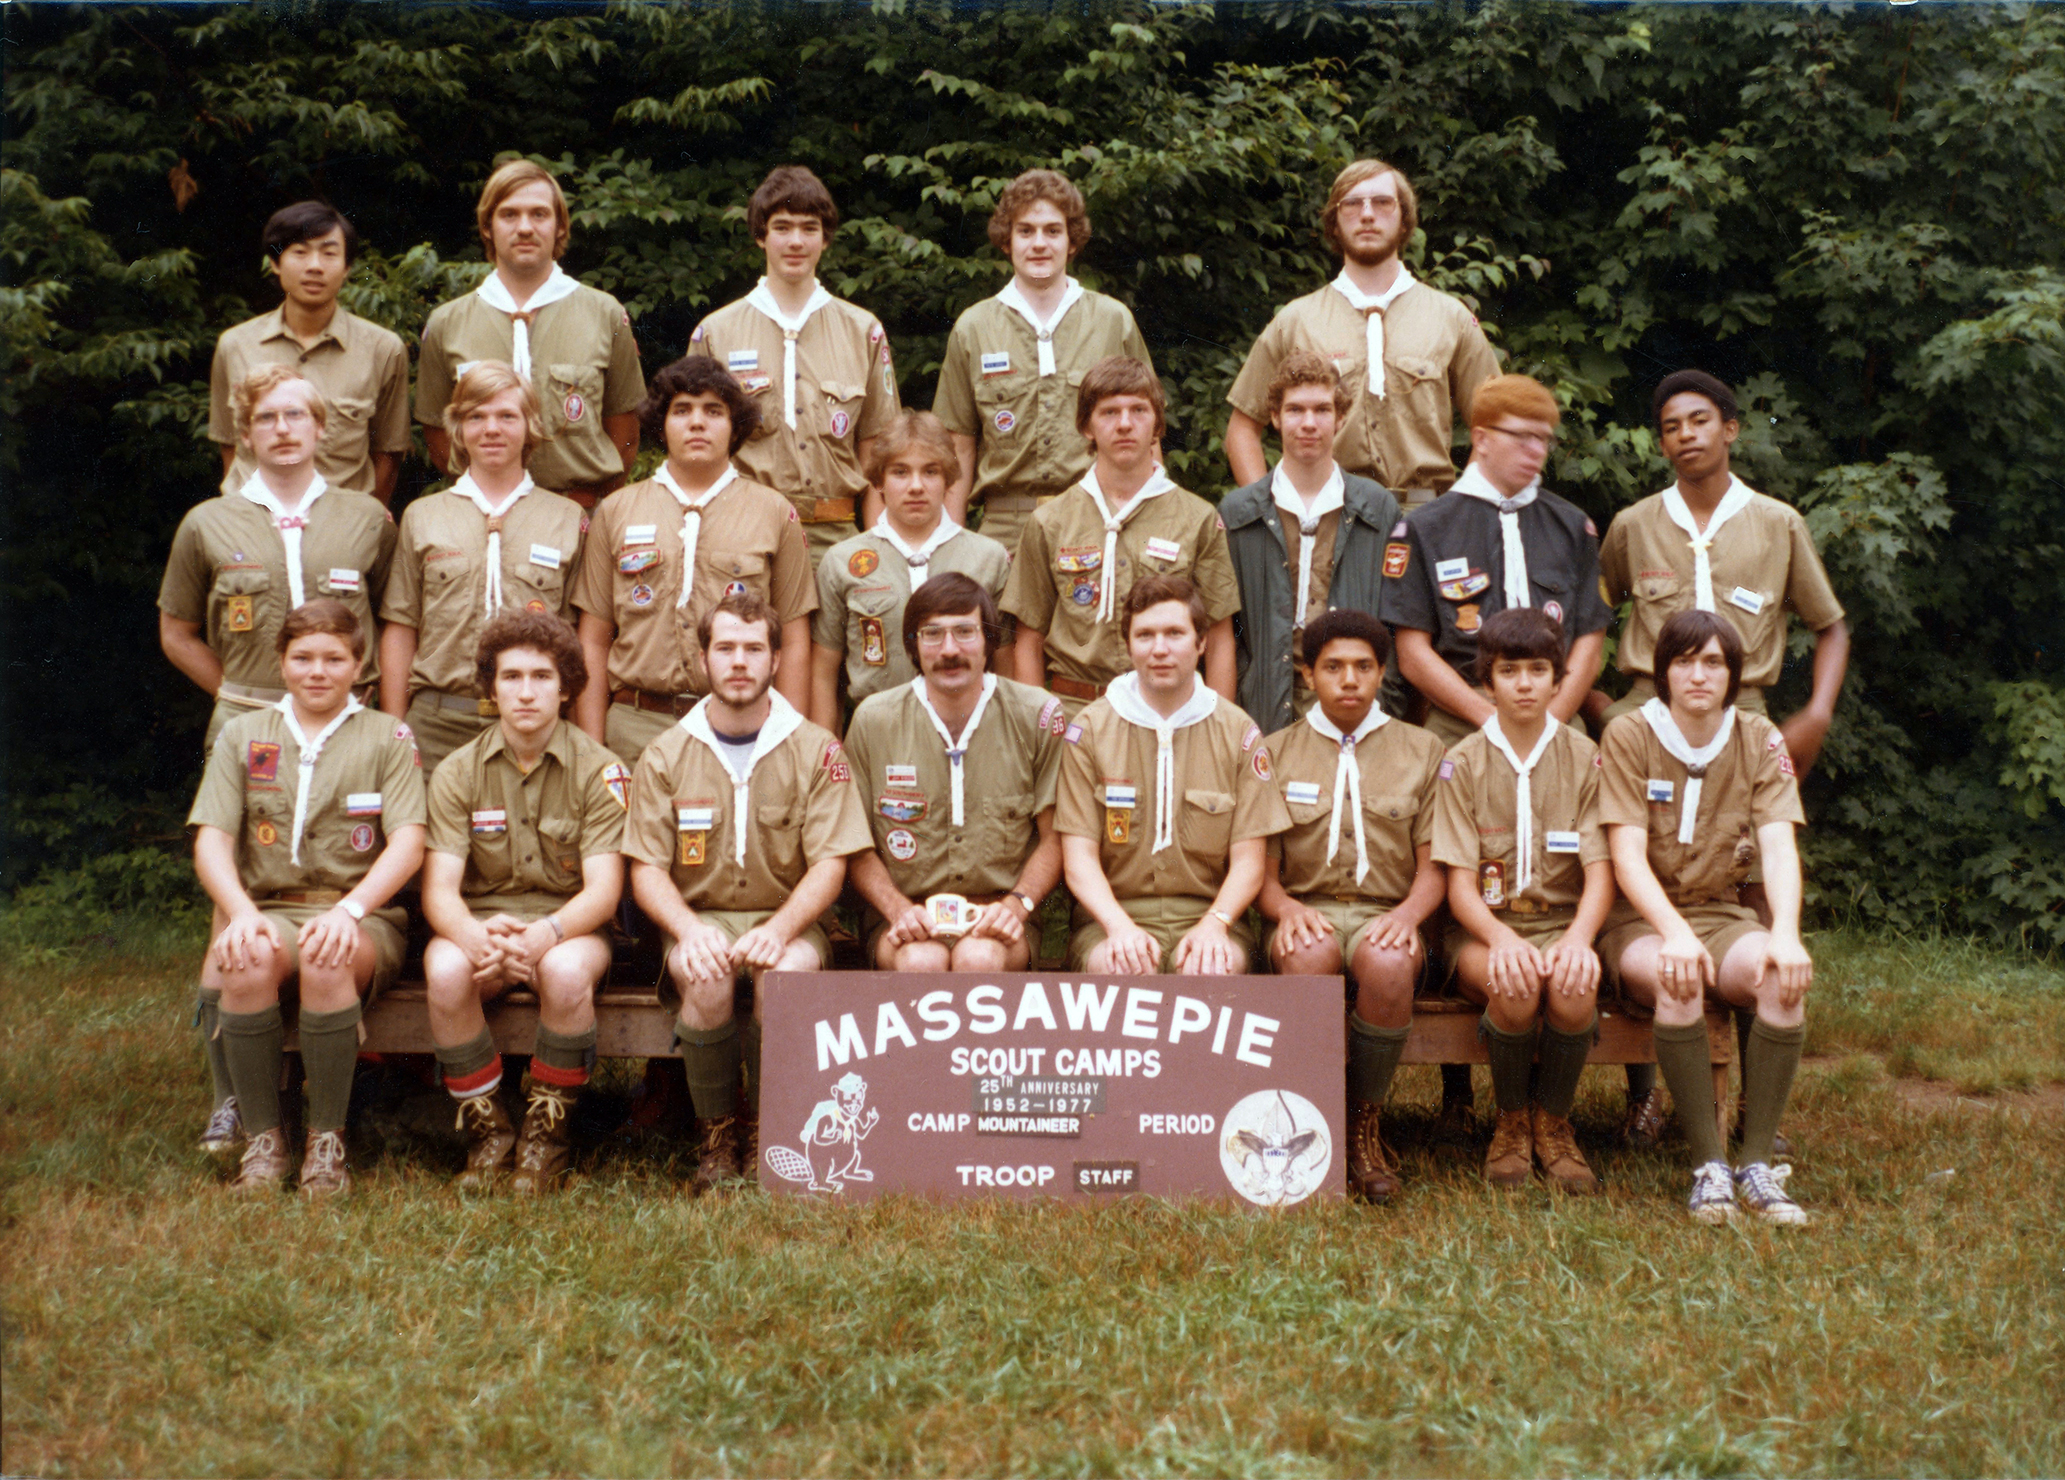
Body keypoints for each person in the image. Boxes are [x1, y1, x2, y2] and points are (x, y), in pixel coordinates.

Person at [1598, 369, 1848, 1147]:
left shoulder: (1775, 523)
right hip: (1646, 723)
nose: (1685, 435)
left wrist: (1815, 712)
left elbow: (1829, 625)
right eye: (1670, 425)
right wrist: (1602, 707)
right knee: (1641, 891)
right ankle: (1647, 1094)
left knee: (1753, 902)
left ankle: (1749, 1108)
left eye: (1699, 420)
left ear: (1731, 428)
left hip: (1742, 725)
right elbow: (1584, 619)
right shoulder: (1634, 525)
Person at [162, 368, 397, 1158]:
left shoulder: (365, 517)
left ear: (323, 427)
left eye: (298, 415)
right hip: (251, 718)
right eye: (266, 417)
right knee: (235, 902)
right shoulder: (208, 521)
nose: (284, 429)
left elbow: (393, 617)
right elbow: (176, 630)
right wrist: (240, 696)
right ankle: (229, 1098)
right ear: (245, 430)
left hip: (350, 718)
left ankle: (359, 1071)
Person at [623, 591, 872, 1189]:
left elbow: (830, 864)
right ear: (703, 659)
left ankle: (769, 1130)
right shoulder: (665, 754)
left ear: (777, 660)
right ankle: (716, 1138)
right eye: (726, 648)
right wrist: (688, 931)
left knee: (782, 976)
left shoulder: (817, 750)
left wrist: (780, 930)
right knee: (705, 976)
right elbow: (647, 869)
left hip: (787, 918)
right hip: (699, 916)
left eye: (754, 649)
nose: (739, 661)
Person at [187, 600, 426, 1197]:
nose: (317, 671)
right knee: (243, 957)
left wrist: (350, 911)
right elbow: (212, 841)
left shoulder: (388, 736)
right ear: (281, 661)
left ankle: (326, 1141)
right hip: (272, 908)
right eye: (303, 658)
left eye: (334, 659)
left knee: (327, 955)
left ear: (359, 665)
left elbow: (408, 844)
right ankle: (265, 1140)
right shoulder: (244, 735)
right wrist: (242, 914)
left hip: (361, 913)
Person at [1597, 610, 1813, 1225]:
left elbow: (1778, 847)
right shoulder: (1629, 733)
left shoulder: (1758, 737)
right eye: (1684, 661)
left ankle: (1755, 1163)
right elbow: (1626, 857)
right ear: (1663, 672)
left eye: (1713, 662)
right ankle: (1708, 1165)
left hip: (1720, 913)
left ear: (1733, 674)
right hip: (1640, 920)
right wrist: (1674, 933)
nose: (1699, 675)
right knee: (1679, 975)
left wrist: (1786, 934)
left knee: (1779, 975)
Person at [420, 611, 627, 1194]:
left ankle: (545, 1137)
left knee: (564, 974)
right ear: (491, 687)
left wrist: (544, 936)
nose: (526, 692)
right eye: (511, 677)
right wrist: (474, 937)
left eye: (542, 676)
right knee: (446, 970)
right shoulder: (458, 772)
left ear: (566, 687)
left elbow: (604, 891)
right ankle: (489, 1131)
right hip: (483, 926)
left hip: (570, 927)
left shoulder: (600, 770)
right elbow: (439, 890)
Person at [1258, 611, 1445, 1202]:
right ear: (1308, 674)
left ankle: (1363, 1124)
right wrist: (1286, 910)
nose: (1349, 680)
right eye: (1333, 667)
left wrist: (1407, 917)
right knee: (1307, 957)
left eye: (1364, 667)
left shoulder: (1422, 750)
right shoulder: (1275, 752)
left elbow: (1434, 868)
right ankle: (1312, 1122)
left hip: (1385, 909)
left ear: (1382, 673)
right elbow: (1261, 874)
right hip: (1304, 906)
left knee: (1387, 965)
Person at [1432, 609, 1614, 1194]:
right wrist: (1502, 938)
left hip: (1563, 922)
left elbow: (1600, 872)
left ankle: (1553, 1122)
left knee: (1574, 986)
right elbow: (1459, 887)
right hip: (1485, 930)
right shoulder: (1462, 762)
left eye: (1538, 670)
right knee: (1513, 983)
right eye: (1509, 671)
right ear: (1487, 681)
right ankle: (1511, 1120)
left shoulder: (1584, 758)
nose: (1525, 684)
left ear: (1559, 679)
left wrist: (1579, 939)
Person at [571, 357, 816, 766]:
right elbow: (593, 640)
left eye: (713, 411)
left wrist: (786, 742)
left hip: (741, 725)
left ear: (735, 426)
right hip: (635, 727)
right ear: (661, 423)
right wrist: (593, 751)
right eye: (682, 410)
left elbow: (792, 641)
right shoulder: (616, 512)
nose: (697, 423)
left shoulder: (774, 513)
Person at [1224, 159, 1497, 506]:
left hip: (1424, 519)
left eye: (1382, 202)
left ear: (1404, 220)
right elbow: (1242, 429)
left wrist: (1460, 510)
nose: (1367, 215)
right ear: (1334, 224)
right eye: (1352, 204)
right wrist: (1267, 515)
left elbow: (1496, 426)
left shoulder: (1450, 318)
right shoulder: (1296, 321)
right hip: (1324, 517)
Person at [1055, 576, 1290, 974]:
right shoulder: (1090, 730)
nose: (1159, 649)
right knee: (1122, 968)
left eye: (1175, 634)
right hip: (1111, 918)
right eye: (1145, 635)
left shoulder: (1238, 732)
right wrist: (1119, 928)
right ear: (1128, 644)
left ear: (1201, 643)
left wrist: (1216, 924)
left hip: (1211, 915)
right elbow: (1079, 859)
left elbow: (1249, 862)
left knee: (1211, 970)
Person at [843, 574, 1065, 971]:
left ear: (988, 640)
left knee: (979, 958)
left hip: (1001, 913)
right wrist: (898, 909)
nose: (949, 650)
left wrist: (1017, 905)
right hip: (904, 913)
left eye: (965, 632)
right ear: (913, 644)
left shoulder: (1035, 716)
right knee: (921, 961)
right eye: (932, 634)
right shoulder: (873, 720)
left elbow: (1055, 838)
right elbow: (855, 845)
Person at [932, 168, 1155, 557]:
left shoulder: (1112, 321)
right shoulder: (974, 327)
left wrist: (1150, 526)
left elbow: (1147, 433)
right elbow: (957, 447)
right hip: (1004, 530)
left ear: (1072, 241)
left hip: (1100, 517)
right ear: (1007, 240)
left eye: (1053, 231)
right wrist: (949, 545)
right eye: (1025, 231)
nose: (1039, 244)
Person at [379, 362, 588, 773]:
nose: (491, 429)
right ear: (458, 429)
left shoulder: (566, 518)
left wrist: (578, 737)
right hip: (438, 722)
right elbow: (401, 628)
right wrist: (395, 730)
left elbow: (581, 639)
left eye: (507, 416)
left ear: (529, 426)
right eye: (476, 417)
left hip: (535, 724)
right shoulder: (423, 516)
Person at [1380, 373, 1609, 747]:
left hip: (1555, 714)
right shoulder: (1426, 528)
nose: (1536, 450)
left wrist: (1550, 721)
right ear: (1481, 439)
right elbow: (1412, 653)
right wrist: (1489, 720)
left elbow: (1590, 642)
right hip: (1462, 720)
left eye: (1543, 439)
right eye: (1522, 437)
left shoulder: (1572, 526)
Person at [1001, 357, 1240, 711]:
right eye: (1109, 412)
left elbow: (1219, 638)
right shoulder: (1050, 522)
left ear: (1157, 423)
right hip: (1076, 711)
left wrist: (1216, 728)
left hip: (1168, 710)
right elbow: (1028, 640)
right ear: (1087, 426)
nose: (1125, 424)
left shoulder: (1197, 519)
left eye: (1139, 410)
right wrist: (1038, 727)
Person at [689, 165, 900, 562]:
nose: (796, 242)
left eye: (809, 228)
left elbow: (881, 452)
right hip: (742, 536)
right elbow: (694, 451)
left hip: (837, 541)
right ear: (760, 236)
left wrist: (879, 547)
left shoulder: (863, 331)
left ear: (826, 238)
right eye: (782, 228)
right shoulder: (716, 332)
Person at [416, 159, 642, 508]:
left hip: (578, 513)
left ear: (560, 227)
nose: (524, 228)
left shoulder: (604, 314)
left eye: (539, 214)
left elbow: (625, 430)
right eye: (509, 215)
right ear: (487, 227)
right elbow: (437, 434)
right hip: (480, 513)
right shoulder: (448, 323)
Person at [1222, 350, 1404, 733]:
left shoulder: (1377, 509)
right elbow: (1227, 630)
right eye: (1295, 410)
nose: (1308, 423)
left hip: (1357, 707)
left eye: (1322, 410)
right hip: (1263, 706)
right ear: (1275, 417)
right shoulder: (1239, 513)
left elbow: (1396, 625)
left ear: (1340, 418)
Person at [811, 411, 1010, 732]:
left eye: (930, 472)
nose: (916, 486)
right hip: (878, 735)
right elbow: (823, 673)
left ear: (948, 479)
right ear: (878, 481)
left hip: (970, 731)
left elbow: (1005, 668)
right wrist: (829, 751)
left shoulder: (988, 558)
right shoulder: (842, 561)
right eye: (900, 472)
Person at [209, 200, 411, 506]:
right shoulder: (235, 345)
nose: (315, 266)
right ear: (275, 263)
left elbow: (389, 451)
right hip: (254, 521)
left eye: (329, 253)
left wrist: (365, 520)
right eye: (300, 252)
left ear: (347, 267)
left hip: (343, 522)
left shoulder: (382, 349)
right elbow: (230, 444)